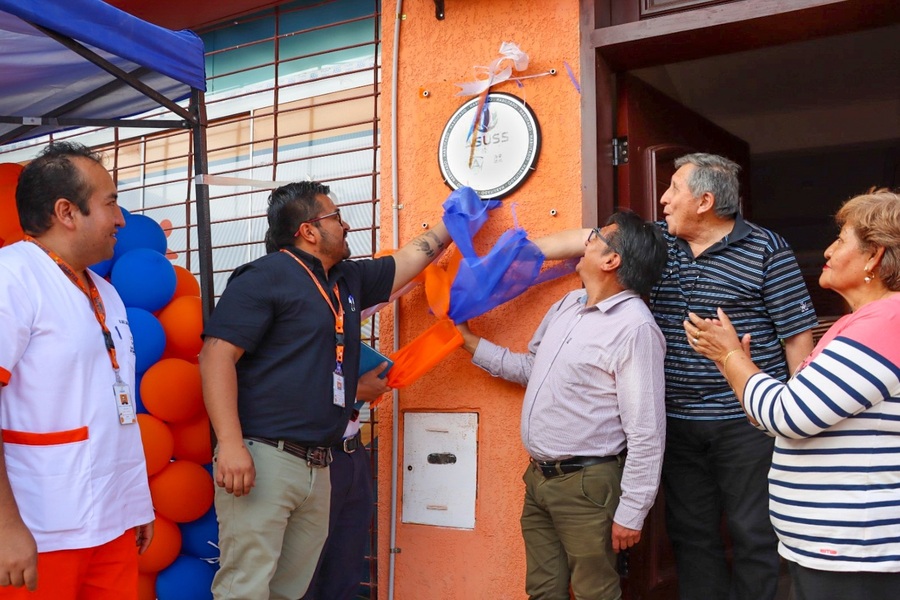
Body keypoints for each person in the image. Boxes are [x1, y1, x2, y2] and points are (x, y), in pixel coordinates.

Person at [199, 181, 452, 600]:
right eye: (335, 216)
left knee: (291, 590)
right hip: (266, 458)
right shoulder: (265, 276)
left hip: (320, 463)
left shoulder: (346, 279)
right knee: (246, 587)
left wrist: (454, 223)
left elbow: (410, 259)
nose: (346, 224)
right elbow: (215, 357)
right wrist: (229, 444)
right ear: (309, 230)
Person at [686, 189, 900, 600]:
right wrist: (732, 366)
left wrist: (732, 357)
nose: (828, 250)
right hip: (835, 550)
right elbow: (789, 420)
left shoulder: (884, 324)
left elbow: (789, 415)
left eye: (841, 241)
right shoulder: (862, 323)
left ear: (873, 256)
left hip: (855, 553)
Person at [457, 211, 669, 600]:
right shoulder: (569, 304)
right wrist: (471, 343)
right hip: (538, 478)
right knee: (542, 590)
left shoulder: (635, 329)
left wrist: (632, 512)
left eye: (596, 238)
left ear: (611, 261)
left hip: (587, 486)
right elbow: (531, 369)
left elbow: (647, 432)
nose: (585, 241)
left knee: (595, 593)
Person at [649, 153, 817, 600]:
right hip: (677, 419)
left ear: (704, 201)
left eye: (674, 189)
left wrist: (792, 414)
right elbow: (592, 244)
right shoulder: (657, 241)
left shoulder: (767, 248)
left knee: (753, 534)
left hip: (747, 423)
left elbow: (797, 339)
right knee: (690, 534)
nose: (663, 199)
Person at [0, 142, 154, 599]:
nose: (121, 218)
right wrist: (6, 527)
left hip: (112, 521)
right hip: (38, 531)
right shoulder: (12, 279)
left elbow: (113, 405)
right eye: (110, 202)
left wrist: (135, 502)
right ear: (67, 211)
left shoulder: (105, 292)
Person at [301, 366, 389, 600]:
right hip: (309, 455)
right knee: (304, 573)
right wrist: (355, 392)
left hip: (351, 451)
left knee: (345, 571)